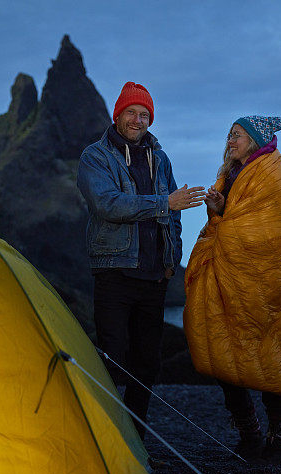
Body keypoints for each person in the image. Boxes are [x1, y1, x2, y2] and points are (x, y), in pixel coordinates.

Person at [77, 81, 206, 441]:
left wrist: (171, 261)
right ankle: (103, 437)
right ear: (118, 115)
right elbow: (108, 205)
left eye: (145, 115)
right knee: (113, 361)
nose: (138, 120)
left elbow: (175, 215)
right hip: (115, 274)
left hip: (154, 277)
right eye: (131, 112)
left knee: (147, 366)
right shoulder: (95, 157)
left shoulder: (160, 158)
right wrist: (165, 203)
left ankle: (134, 442)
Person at [183, 115, 281, 464]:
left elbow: (274, 227)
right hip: (234, 278)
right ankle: (249, 433)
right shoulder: (230, 174)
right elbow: (231, 222)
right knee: (226, 354)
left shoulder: (272, 171)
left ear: (255, 139)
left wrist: (225, 221)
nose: (230, 141)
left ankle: (277, 440)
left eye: (237, 136)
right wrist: (216, 211)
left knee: (276, 354)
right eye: (228, 135)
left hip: (273, 280)